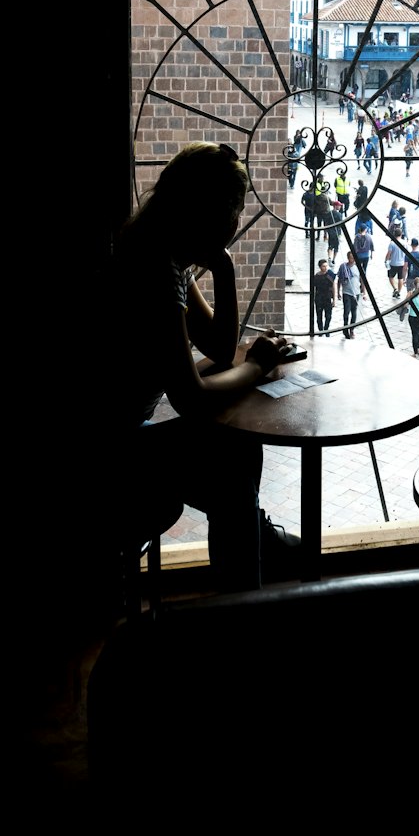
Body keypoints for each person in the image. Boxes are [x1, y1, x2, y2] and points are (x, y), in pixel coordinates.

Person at [105, 141, 300, 593]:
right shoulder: (156, 269)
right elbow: (189, 395)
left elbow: (215, 344)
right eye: (235, 212)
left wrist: (225, 267)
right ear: (215, 213)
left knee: (230, 456)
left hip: (118, 440)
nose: (236, 223)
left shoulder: (156, 249)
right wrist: (254, 368)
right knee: (235, 452)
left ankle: (248, 547)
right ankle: (243, 577)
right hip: (112, 458)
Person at [336, 251, 361, 338]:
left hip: (356, 292)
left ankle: (352, 329)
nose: (352, 259)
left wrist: (364, 292)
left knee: (354, 312)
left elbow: (362, 280)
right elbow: (339, 279)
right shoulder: (343, 267)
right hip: (346, 292)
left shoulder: (358, 267)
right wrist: (338, 291)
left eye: (353, 257)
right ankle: (345, 327)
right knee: (346, 311)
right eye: (351, 257)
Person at [313, 258, 335, 336]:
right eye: (323, 266)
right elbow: (314, 288)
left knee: (328, 315)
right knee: (319, 316)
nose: (325, 268)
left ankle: (326, 329)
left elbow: (333, 286)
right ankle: (320, 330)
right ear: (320, 267)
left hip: (327, 297)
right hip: (319, 297)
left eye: (326, 266)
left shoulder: (330, 275)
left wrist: (334, 299)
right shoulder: (316, 277)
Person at [385, 231, 406, 296]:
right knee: (400, 278)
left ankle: (395, 288)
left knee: (390, 277)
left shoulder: (392, 243)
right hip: (401, 263)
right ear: (401, 234)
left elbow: (389, 253)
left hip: (393, 263)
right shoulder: (405, 243)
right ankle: (399, 291)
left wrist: (386, 260)